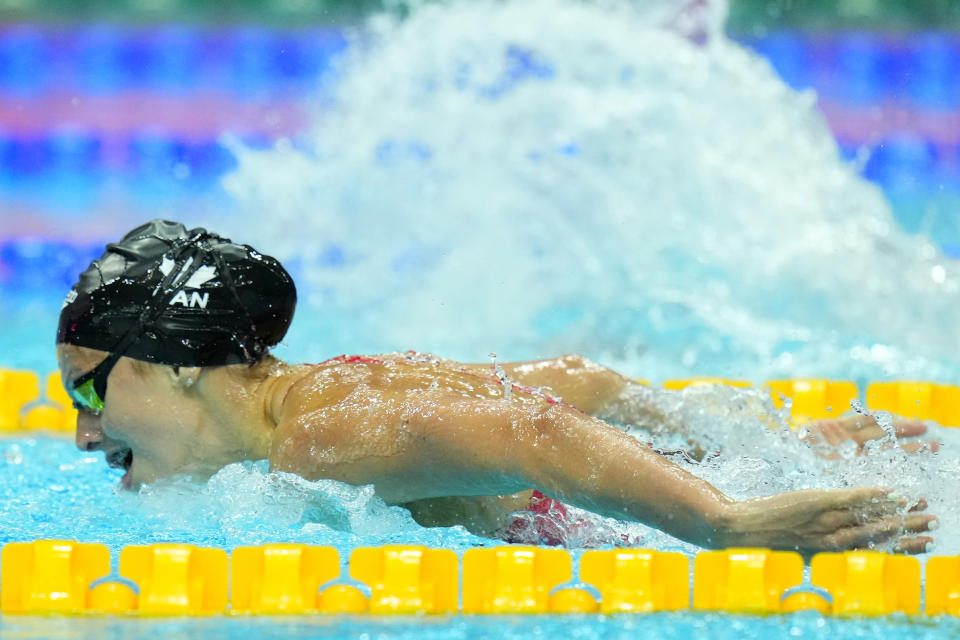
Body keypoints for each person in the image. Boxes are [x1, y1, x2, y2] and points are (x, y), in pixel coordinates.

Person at [57, 220, 938, 555]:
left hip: (611, 533)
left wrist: (727, 521)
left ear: (169, 363)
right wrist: (765, 446)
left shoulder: (316, 445)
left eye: (87, 395)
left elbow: (538, 436)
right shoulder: (326, 392)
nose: (85, 434)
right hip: (632, 487)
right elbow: (572, 387)